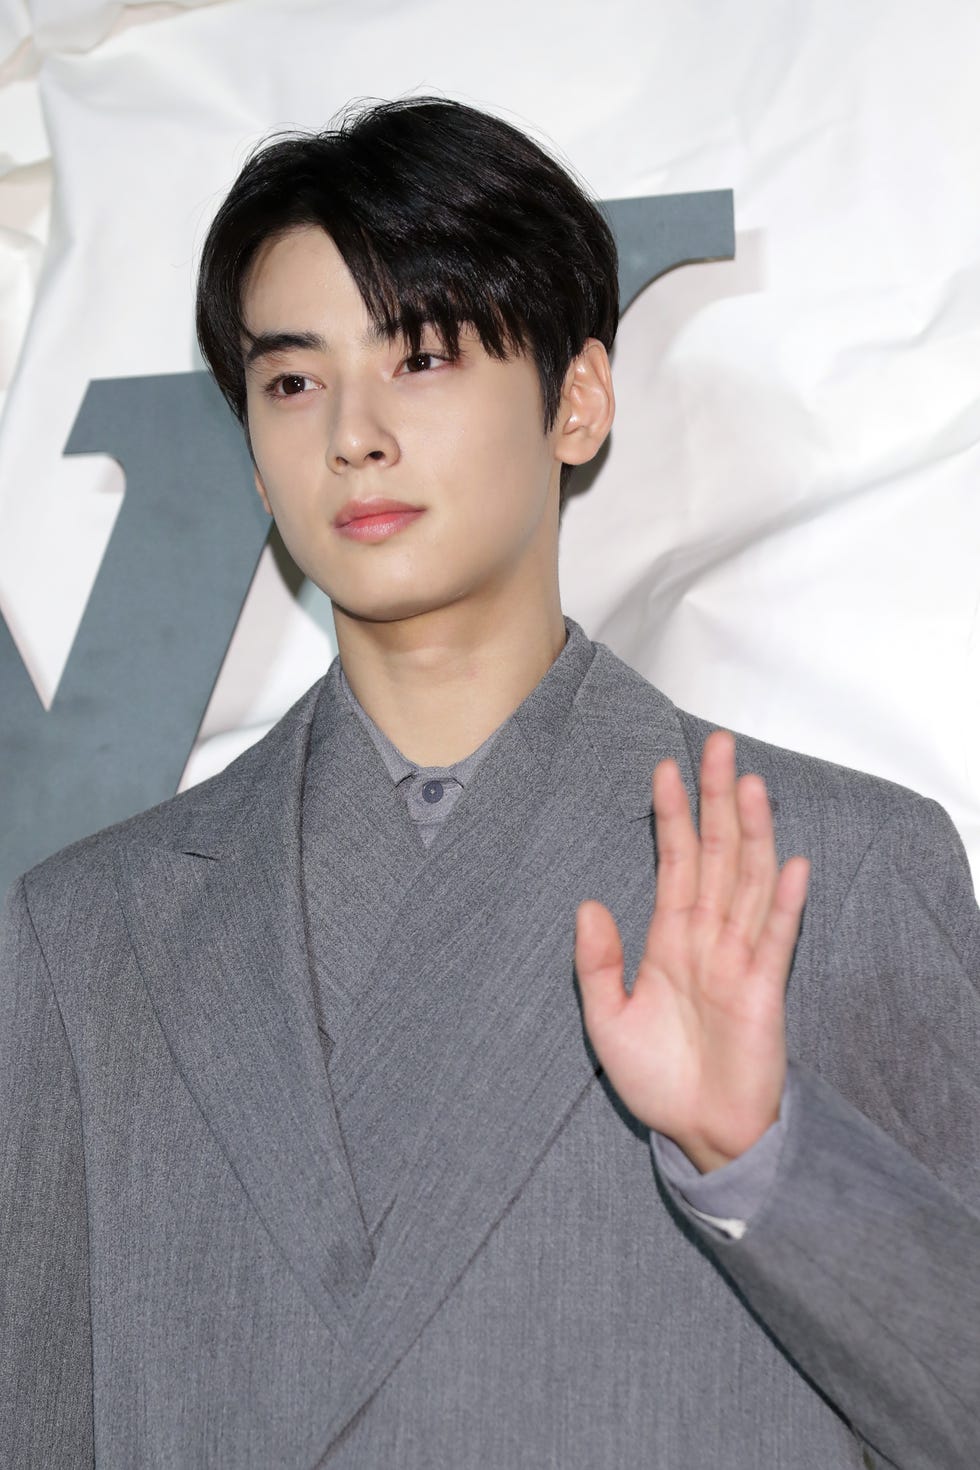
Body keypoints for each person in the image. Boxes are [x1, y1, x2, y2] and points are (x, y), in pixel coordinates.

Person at [1, 95, 978, 1470]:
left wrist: (759, 1150)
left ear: (576, 400)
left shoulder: (834, 866)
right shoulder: (91, 935)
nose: (352, 432)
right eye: (293, 380)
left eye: (424, 357)